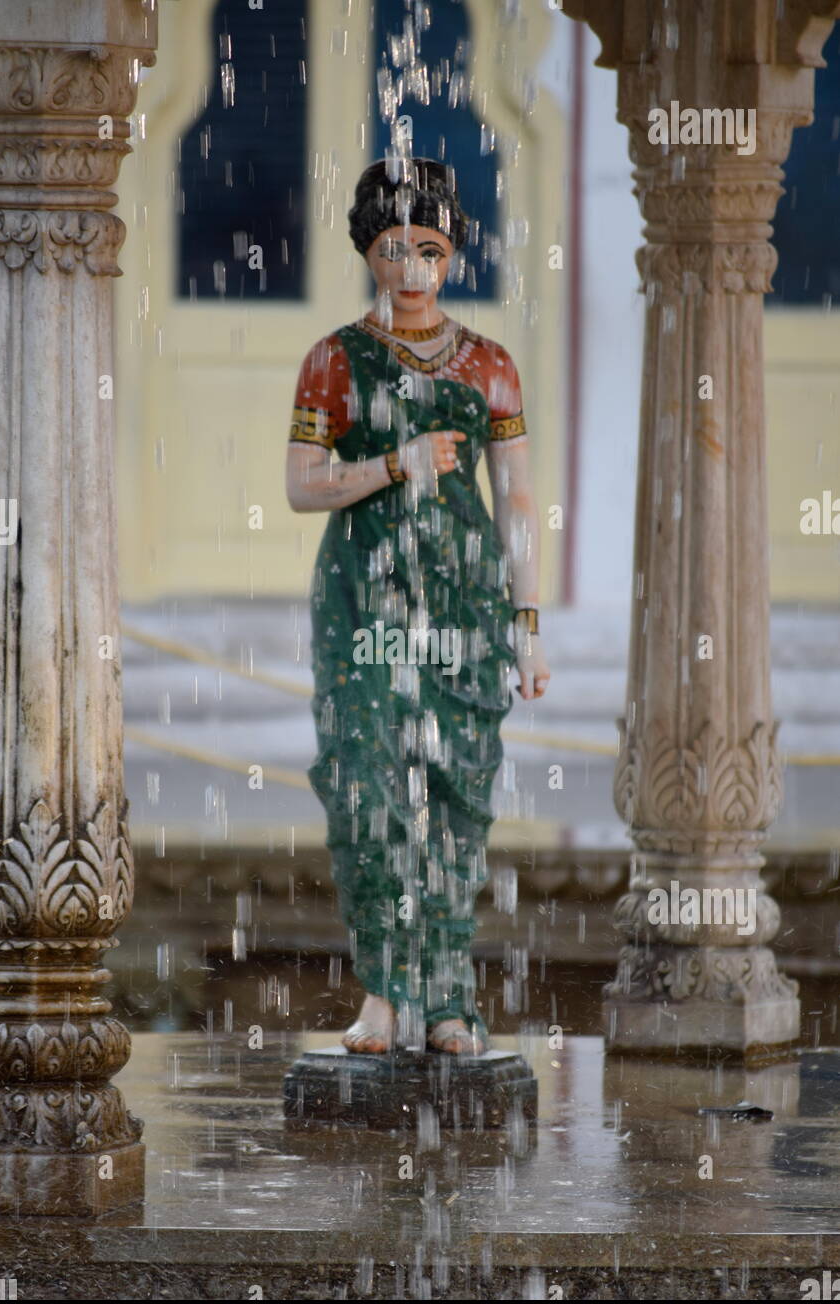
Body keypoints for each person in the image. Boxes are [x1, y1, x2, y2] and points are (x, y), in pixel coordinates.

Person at [286, 157, 549, 1057]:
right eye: (393, 249)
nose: (411, 271)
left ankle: (445, 996)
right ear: (368, 251)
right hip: (361, 608)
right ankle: (383, 992)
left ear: (452, 255)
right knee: (367, 794)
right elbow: (302, 486)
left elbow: (517, 501)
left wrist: (527, 626)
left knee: (452, 798)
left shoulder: (490, 365)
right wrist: (398, 465)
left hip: (464, 609)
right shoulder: (332, 359)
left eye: (429, 251)